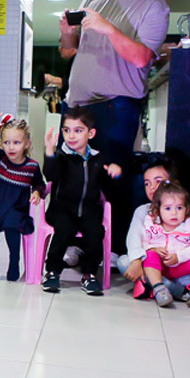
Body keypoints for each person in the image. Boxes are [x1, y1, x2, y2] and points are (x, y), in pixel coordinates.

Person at [58, 0, 169, 253]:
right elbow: (68, 51)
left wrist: (107, 27)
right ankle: (74, 245)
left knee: (112, 181)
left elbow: (142, 58)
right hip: (76, 106)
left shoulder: (154, 7)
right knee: (73, 183)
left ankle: (115, 252)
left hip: (116, 107)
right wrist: (67, 32)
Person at [41, 107, 122, 295]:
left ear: (90, 133)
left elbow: (105, 184)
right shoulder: (61, 156)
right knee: (64, 230)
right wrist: (50, 151)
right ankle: (52, 271)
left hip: (88, 210)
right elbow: (50, 175)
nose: (71, 136)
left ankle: (89, 274)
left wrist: (113, 172)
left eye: (78, 130)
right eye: (67, 130)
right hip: (61, 210)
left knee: (95, 232)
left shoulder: (97, 158)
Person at [119, 159, 190, 298]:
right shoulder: (143, 211)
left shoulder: (187, 212)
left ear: (174, 184)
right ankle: (179, 292)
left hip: (182, 267)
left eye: (158, 181)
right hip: (154, 267)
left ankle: (167, 288)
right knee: (124, 262)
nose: (152, 187)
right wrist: (138, 259)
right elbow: (134, 238)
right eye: (147, 183)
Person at [0, 103, 45, 282]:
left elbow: (40, 184)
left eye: (16, 143)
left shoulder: (32, 166)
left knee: (12, 223)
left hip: (16, 209)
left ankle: (14, 261)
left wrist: (37, 192)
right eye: (6, 143)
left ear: (26, 144)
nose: (11, 147)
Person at [137, 182, 190, 309]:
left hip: (181, 267)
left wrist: (179, 256)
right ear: (158, 210)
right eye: (168, 208)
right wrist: (153, 249)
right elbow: (142, 242)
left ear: (186, 209)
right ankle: (159, 289)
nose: (174, 213)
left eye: (179, 208)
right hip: (159, 267)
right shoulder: (151, 224)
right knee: (149, 255)